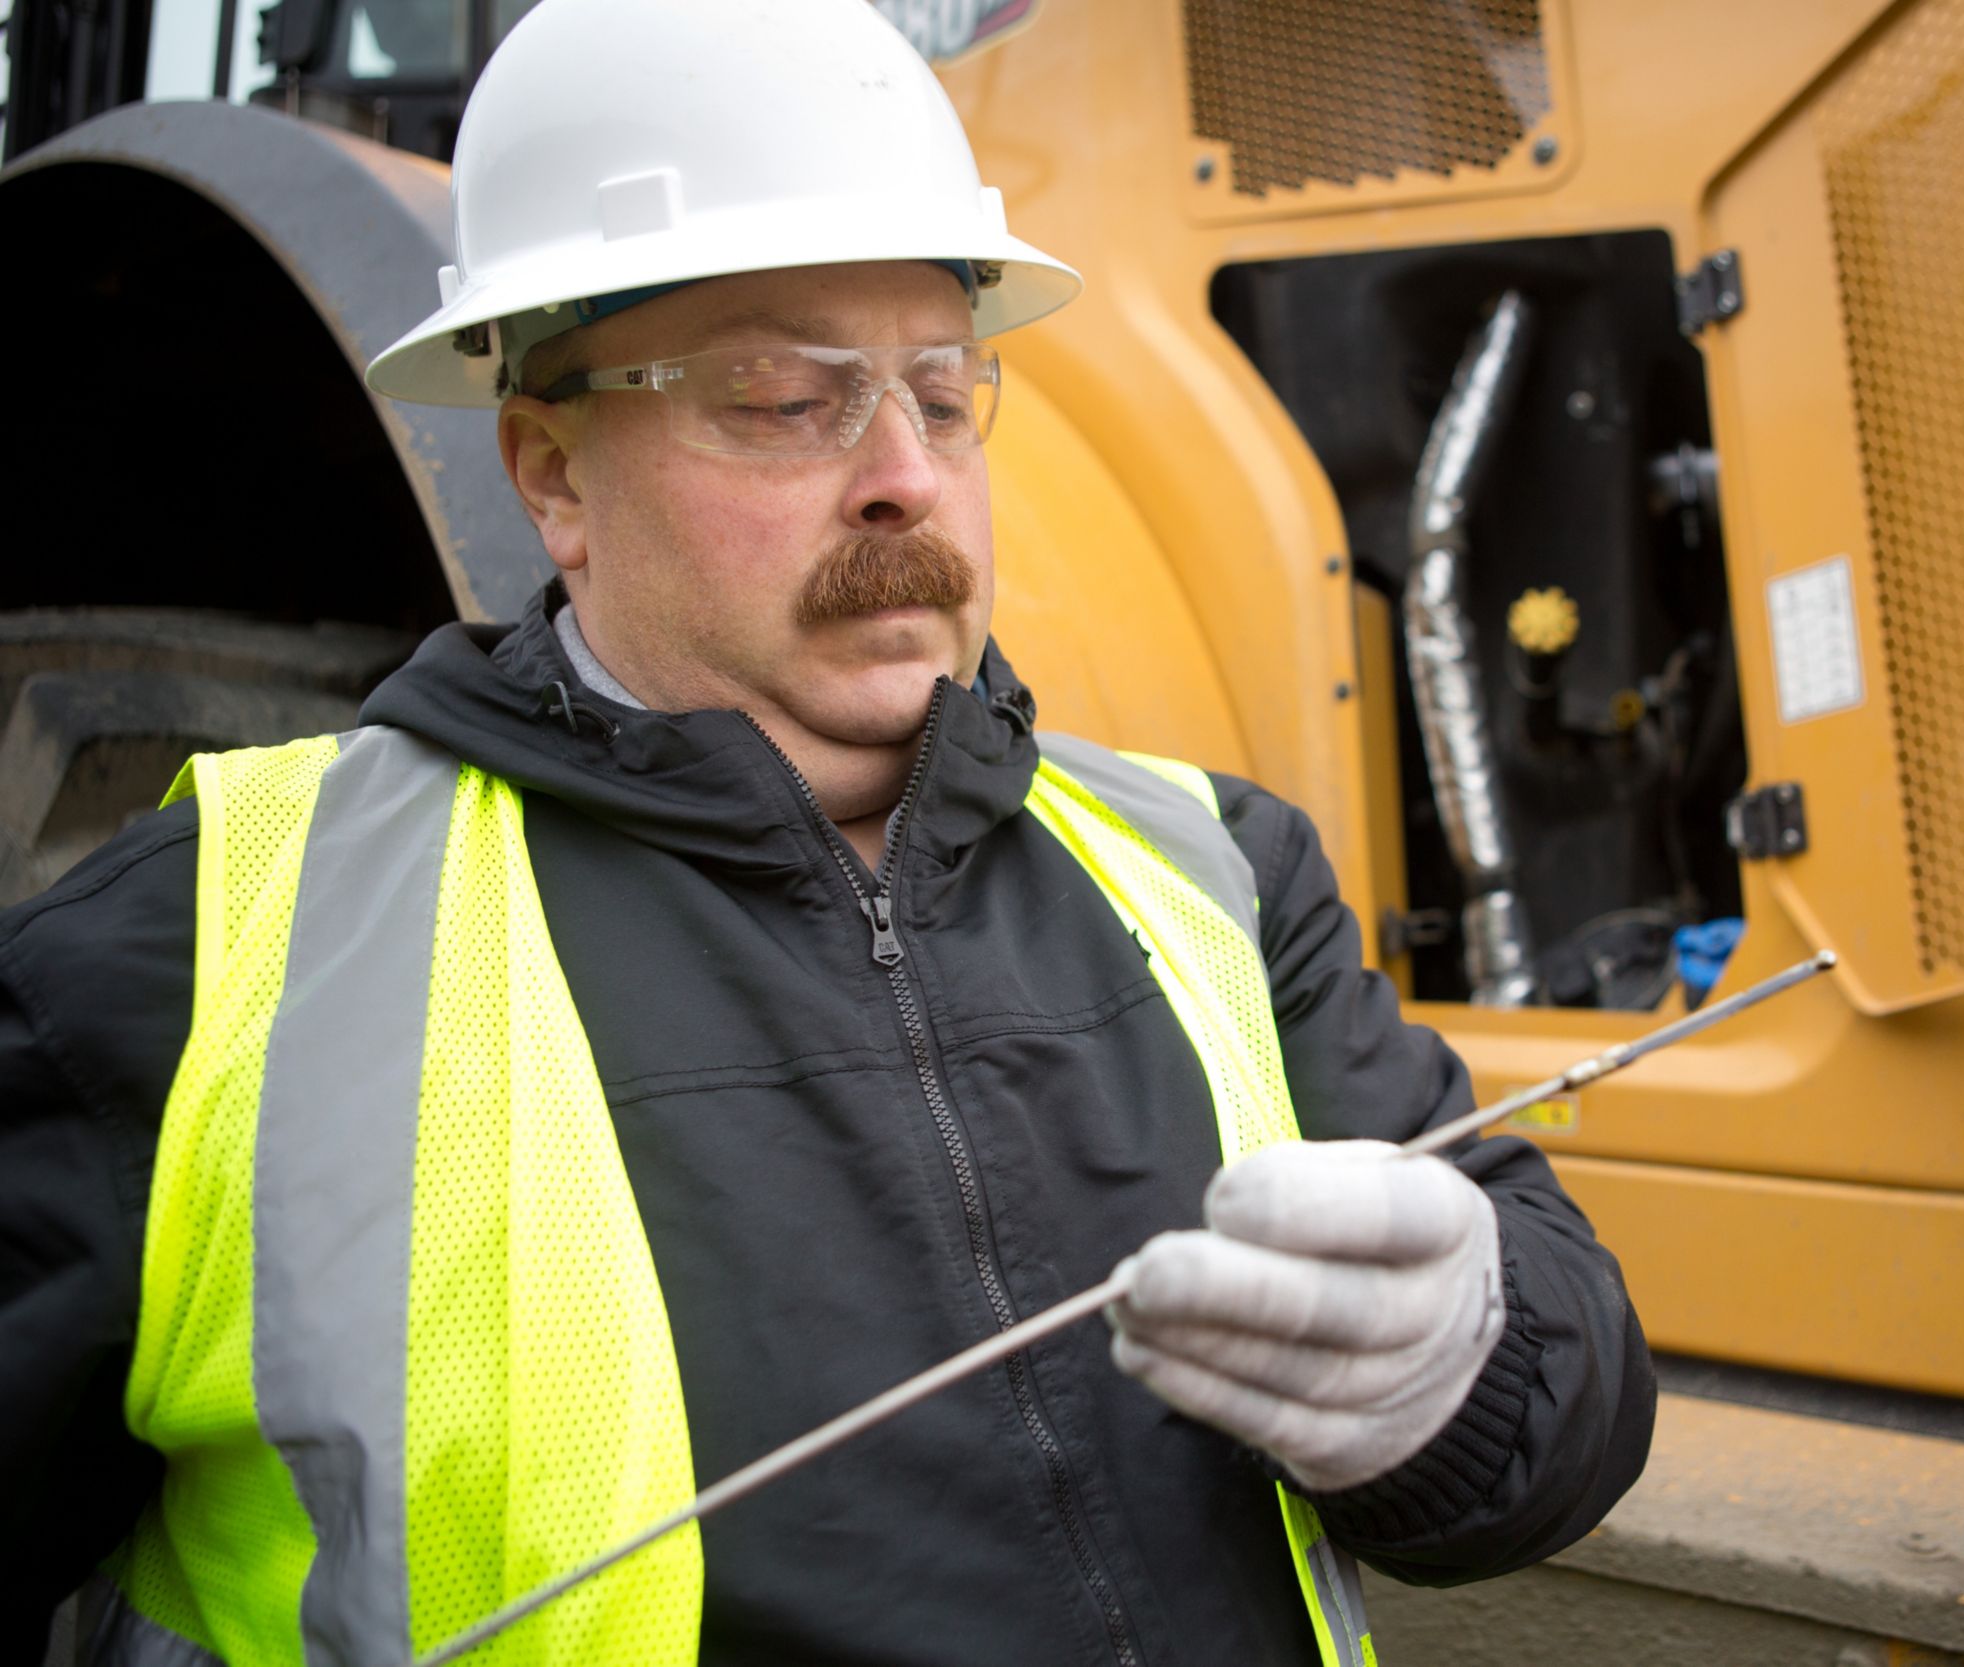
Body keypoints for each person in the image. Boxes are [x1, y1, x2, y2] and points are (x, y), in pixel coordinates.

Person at [0, 2, 1654, 1662]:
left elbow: (1560, 1401)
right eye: (786, 398)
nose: (904, 479)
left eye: (943, 397)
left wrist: (1473, 1368)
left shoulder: (1214, 871)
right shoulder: (202, 960)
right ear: (551, 476)